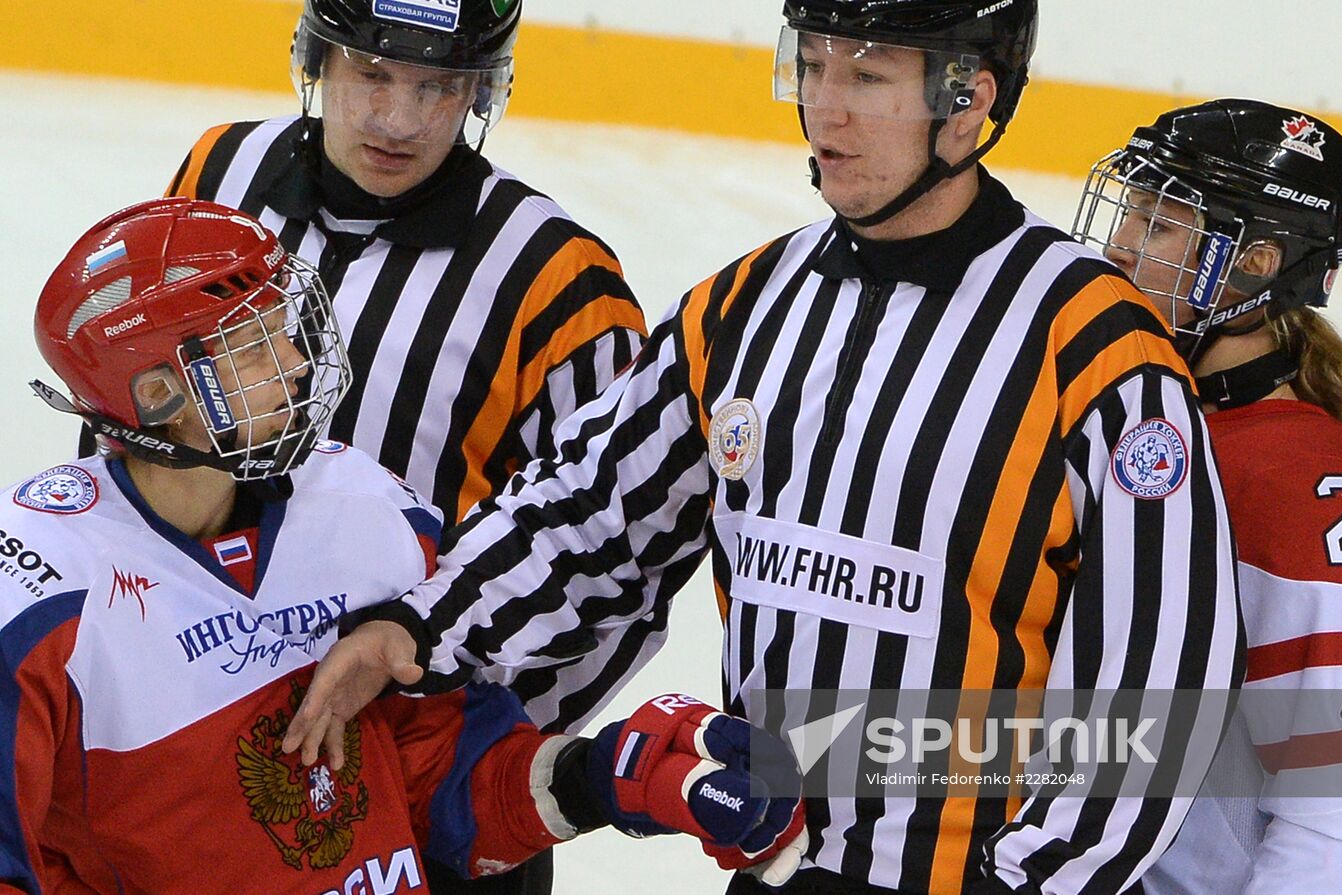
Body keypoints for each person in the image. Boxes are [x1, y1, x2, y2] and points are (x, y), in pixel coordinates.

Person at [288, 2, 1243, 892]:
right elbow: (589, 515)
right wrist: (415, 627)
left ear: (970, 99)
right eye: (813, 67)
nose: (823, 112)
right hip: (774, 865)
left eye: (866, 78)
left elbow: (1162, 686)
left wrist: (1032, 877)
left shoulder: (1099, 351)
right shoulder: (742, 308)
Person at [0, 197, 806, 895]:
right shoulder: (43, 592)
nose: (293, 361)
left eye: (285, 328)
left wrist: (599, 780)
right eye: (252, 347)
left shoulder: (362, 508)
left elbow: (437, 779)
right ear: (157, 394)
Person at [1071, 100, 1342, 893]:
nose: (1118, 249)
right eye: (1131, 215)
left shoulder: (1305, 477)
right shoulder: (1125, 423)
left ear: (1256, 261)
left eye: (1159, 227)